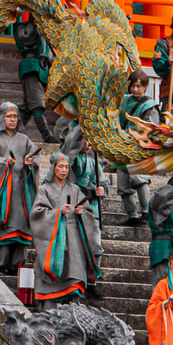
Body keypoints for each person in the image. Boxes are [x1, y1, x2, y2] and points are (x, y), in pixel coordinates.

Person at [30, 152, 101, 308]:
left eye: (67, 167)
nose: (64, 170)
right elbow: (37, 213)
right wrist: (57, 212)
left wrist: (82, 212)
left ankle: (73, 307)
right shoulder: (45, 189)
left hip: (74, 235)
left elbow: (89, 211)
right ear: (53, 168)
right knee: (54, 270)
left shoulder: (75, 189)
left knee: (74, 274)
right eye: (60, 166)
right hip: (54, 236)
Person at [0, 103, 38, 275]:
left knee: (19, 226)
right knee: (3, 225)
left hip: (20, 191)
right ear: (2, 118)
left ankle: (16, 264)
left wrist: (29, 163)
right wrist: (5, 163)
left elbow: (34, 159)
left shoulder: (25, 140)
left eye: (15, 117)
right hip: (2, 190)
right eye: (9, 117)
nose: (12, 120)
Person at [61, 124, 106, 297]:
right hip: (74, 205)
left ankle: (92, 280)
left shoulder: (94, 162)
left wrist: (102, 191)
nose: (87, 145)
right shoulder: (72, 161)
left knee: (96, 247)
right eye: (85, 141)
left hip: (91, 209)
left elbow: (102, 185)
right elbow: (72, 182)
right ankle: (75, 282)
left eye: (90, 141)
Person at [119, 69, 159, 225]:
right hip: (123, 144)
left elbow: (152, 129)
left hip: (139, 146)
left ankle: (146, 211)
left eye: (139, 86)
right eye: (133, 86)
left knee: (139, 179)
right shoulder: (125, 101)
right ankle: (132, 214)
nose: (135, 89)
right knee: (122, 184)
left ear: (145, 87)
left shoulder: (150, 106)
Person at [13, 18, 59, 143]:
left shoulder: (36, 29)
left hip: (36, 66)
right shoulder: (30, 29)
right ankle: (46, 135)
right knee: (37, 103)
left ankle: (13, 131)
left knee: (28, 106)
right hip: (32, 67)